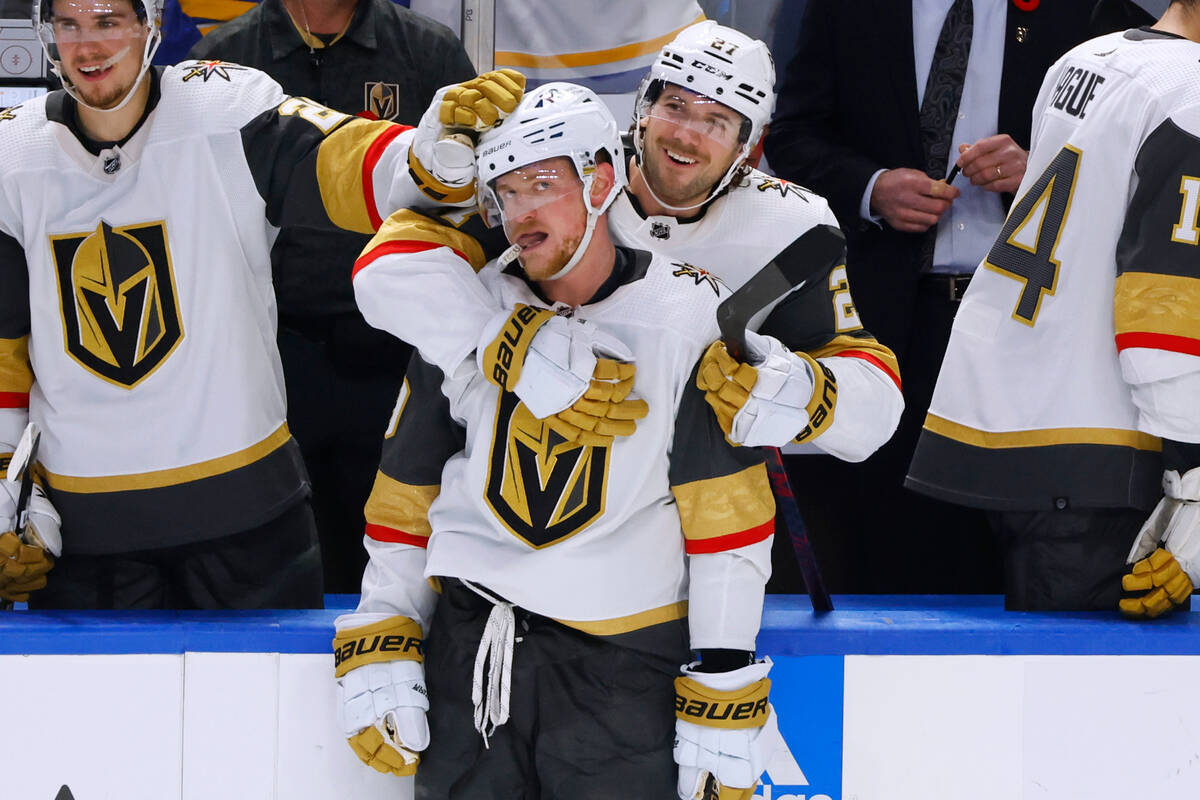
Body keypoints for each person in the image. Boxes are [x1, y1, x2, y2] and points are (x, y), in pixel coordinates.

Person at [350, 21, 905, 595]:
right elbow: (396, 266)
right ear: (642, 106)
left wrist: (798, 392)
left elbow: (875, 406)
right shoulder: (559, 164)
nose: (687, 135)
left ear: (749, 147)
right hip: (532, 493)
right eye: (676, 105)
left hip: (706, 505)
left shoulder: (793, 226)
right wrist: (505, 340)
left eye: (717, 121)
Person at [336, 83, 781, 798]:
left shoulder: (689, 315)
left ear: (601, 178)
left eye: (542, 183)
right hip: (471, 657)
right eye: (504, 192)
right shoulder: (467, 306)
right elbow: (409, 486)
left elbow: (724, 520)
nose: (520, 213)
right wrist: (385, 618)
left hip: (621, 674)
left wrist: (723, 670)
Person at [0, 0, 486, 609]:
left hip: (248, 518)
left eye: (107, 22)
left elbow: (340, 156)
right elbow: (5, 345)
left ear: (150, 26)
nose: (87, 47)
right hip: (86, 536)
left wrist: (422, 156)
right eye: (68, 26)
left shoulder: (220, 108)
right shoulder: (12, 154)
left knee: (272, 705)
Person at [763, 0, 1152, 594]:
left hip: (1040, 328)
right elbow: (792, 134)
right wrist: (870, 189)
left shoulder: (1091, 11)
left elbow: (1148, 153)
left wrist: (1043, 169)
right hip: (890, 327)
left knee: (1038, 559)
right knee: (896, 555)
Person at [907, 1, 1200, 615]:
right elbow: (1166, 312)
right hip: (1112, 449)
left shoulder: (1089, 56)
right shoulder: (1192, 91)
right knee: (1102, 701)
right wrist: (1192, 487)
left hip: (1027, 417)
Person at [186, 0, 475, 592]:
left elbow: (472, 203)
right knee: (279, 560)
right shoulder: (223, 65)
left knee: (404, 553)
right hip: (269, 362)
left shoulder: (429, 51)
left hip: (401, 364)